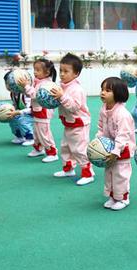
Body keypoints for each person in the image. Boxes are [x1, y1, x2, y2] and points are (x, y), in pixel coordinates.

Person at [50, 53, 94, 186]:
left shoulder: (77, 89)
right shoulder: (62, 86)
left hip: (79, 124)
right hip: (69, 124)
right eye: (61, 71)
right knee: (65, 147)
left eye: (66, 71)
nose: (62, 74)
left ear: (76, 74)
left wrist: (61, 97)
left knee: (79, 150)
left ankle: (88, 173)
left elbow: (74, 107)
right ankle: (68, 169)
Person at [96, 77, 136, 211]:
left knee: (120, 175)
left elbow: (123, 135)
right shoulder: (104, 109)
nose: (103, 92)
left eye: (107, 90)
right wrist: (98, 142)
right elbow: (101, 127)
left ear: (118, 94)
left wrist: (116, 151)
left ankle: (123, 198)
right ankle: (113, 196)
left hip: (122, 149)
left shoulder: (123, 114)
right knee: (109, 174)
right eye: (102, 89)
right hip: (109, 148)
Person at [18, 58, 59, 162]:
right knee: (36, 133)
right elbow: (30, 94)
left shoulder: (45, 84)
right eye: (34, 69)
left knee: (44, 134)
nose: (35, 72)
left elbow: (35, 95)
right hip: (37, 111)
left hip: (43, 112)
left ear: (47, 72)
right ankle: (38, 149)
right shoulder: (38, 81)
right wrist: (25, 87)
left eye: (38, 70)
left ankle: (52, 153)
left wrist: (26, 86)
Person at [3, 71, 34, 147]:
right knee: (12, 119)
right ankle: (19, 136)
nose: (7, 85)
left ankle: (30, 138)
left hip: (33, 115)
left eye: (8, 83)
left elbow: (31, 109)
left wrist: (18, 112)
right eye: (6, 83)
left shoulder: (26, 93)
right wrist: (11, 110)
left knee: (22, 120)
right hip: (22, 113)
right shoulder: (13, 93)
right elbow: (16, 105)